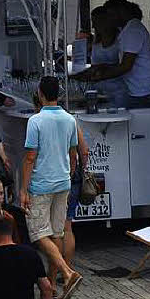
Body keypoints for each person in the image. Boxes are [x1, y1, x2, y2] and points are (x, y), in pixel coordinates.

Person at [20, 76, 83, 299]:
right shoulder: (70, 119)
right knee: (57, 233)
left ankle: (67, 274)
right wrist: (69, 172)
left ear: (40, 93)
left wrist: (23, 189)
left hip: (41, 183)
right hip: (63, 182)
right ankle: (52, 283)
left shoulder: (35, 121)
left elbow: (29, 157)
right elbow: (73, 152)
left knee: (38, 233)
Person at [81, 0, 150, 108]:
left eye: (112, 15)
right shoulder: (127, 29)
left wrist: (100, 76)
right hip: (137, 89)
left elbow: (126, 66)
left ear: (121, 12)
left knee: (141, 123)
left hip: (144, 91)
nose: (110, 20)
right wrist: (104, 67)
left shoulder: (133, 30)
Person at [62, 118, 90, 289]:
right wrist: (82, 170)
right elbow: (84, 151)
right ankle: (68, 267)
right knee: (67, 226)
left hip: (54, 178)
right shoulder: (71, 121)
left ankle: (60, 269)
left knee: (54, 229)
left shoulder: (39, 121)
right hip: (74, 178)